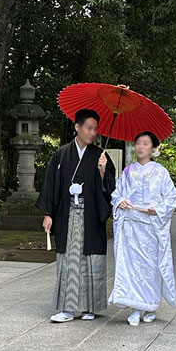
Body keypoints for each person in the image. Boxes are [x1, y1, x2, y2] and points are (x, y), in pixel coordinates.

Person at [36, 108, 116, 322]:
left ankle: (90, 306)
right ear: (77, 127)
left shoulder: (101, 155)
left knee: (91, 259)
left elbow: (110, 187)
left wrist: (102, 172)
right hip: (67, 214)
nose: (93, 133)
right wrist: (48, 213)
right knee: (69, 259)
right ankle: (68, 309)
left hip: (91, 214)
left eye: (95, 129)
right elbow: (51, 185)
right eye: (89, 128)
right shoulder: (61, 155)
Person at [108, 131, 176, 326]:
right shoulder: (128, 171)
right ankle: (136, 307)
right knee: (132, 267)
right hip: (131, 225)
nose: (140, 147)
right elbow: (117, 193)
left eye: (146, 143)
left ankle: (150, 306)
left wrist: (157, 209)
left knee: (150, 267)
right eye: (138, 143)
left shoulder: (160, 172)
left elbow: (172, 197)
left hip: (150, 227)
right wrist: (120, 201)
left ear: (154, 148)